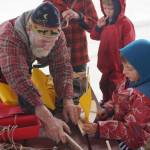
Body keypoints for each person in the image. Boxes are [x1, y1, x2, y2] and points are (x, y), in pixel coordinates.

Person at [0, 2, 81, 143]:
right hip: (7, 70)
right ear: (30, 29)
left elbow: (62, 66)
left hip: (19, 69)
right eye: (43, 41)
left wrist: (67, 99)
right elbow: (18, 77)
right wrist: (48, 119)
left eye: (51, 41)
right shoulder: (8, 36)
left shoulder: (56, 33)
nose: (48, 45)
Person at [82, 39, 150, 149]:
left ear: (145, 68)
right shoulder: (132, 79)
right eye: (123, 66)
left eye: (129, 69)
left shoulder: (145, 98)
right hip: (119, 127)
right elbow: (116, 98)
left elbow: (133, 135)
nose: (124, 72)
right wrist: (106, 110)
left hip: (135, 143)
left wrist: (99, 129)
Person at [90, 0, 135, 104]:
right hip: (105, 66)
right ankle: (106, 104)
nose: (107, 12)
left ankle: (116, 108)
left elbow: (130, 46)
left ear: (118, 8)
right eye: (105, 8)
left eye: (110, 9)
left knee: (117, 90)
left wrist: (126, 65)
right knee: (104, 85)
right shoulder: (105, 21)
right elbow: (94, 36)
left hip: (119, 67)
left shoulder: (125, 23)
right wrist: (98, 27)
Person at [43, 0, 98, 72]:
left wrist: (79, 17)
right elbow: (42, 26)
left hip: (79, 57)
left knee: (79, 82)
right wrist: (59, 17)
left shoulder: (85, 1)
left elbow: (95, 27)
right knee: (58, 82)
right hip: (57, 57)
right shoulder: (49, 2)